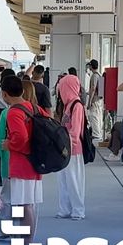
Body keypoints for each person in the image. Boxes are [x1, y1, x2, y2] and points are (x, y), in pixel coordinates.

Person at [2, 74, 46, 245]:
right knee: (28, 206)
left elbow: (21, 138)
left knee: (23, 207)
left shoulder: (14, 112)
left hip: (22, 166)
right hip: (35, 164)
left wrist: (8, 144)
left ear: (4, 94)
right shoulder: (34, 107)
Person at [55, 75, 86, 220]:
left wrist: (67, 146)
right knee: (63, 181)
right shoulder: (68, 105)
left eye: (62, 88)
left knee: (74, 181)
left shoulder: (77, 106)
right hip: (64, 149)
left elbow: (75, 131)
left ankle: (78, 210)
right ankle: (64, 209)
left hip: (73, 150)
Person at [86, 60, 104, 141]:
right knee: (98, 116)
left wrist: (89, 101)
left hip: (95, 99)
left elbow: (93, 88)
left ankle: (96, 134)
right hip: (99, 99)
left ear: (91, 66)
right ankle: (99, 133)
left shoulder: (94, 76)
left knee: (94, 116)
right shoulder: (99, 74)